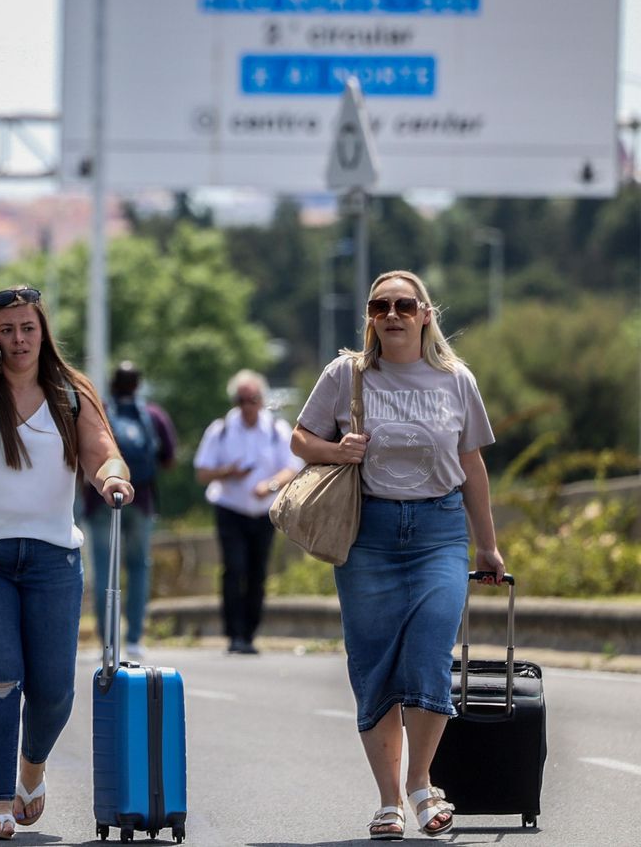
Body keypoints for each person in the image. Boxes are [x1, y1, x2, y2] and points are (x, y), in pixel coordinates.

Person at [0, 286, 135, 840]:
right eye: (6, 330)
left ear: (43, 333)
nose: (18, 340)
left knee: (55, 688)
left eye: (27, 329)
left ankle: (30, 770)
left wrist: (112, 477)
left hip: (51, 557)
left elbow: (101, 451)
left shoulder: (69, 393)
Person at [293, 270, 505, 840]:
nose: (392, 314)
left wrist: (486, 544)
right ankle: (389, 801)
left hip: (438, 532)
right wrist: (338, 449)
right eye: (380, 305)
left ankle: (419, 782)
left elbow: (473, 466)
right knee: (375, 665)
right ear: (369, 316)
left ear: (426, 314)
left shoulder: (456, 380)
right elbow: (299, 440)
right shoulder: (347, 375)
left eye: (404, 305)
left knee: (432, 652)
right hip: (369, 533)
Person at [193, 369, 303, 655]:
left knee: (257, 573)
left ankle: (250, 632)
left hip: (264, 511)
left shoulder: (276, 429)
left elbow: (292, 467)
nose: (247, 407)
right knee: (234, 568)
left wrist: (270, 485)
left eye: (252, 399)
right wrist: (228, 472)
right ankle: (234, 633)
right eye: (241, 400)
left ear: (261, 400)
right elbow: (203, 472)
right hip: (230, 507)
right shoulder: (221, 430)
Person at [79, 361, 176, 657]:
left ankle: (108, 642)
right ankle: (134, 638)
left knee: (104, 569)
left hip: (100, 501)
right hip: (141, 499)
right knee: (138, 568)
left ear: (111, 385)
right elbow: (169, 458)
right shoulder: (154, 415)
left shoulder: (100, 413)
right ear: (138, 385)